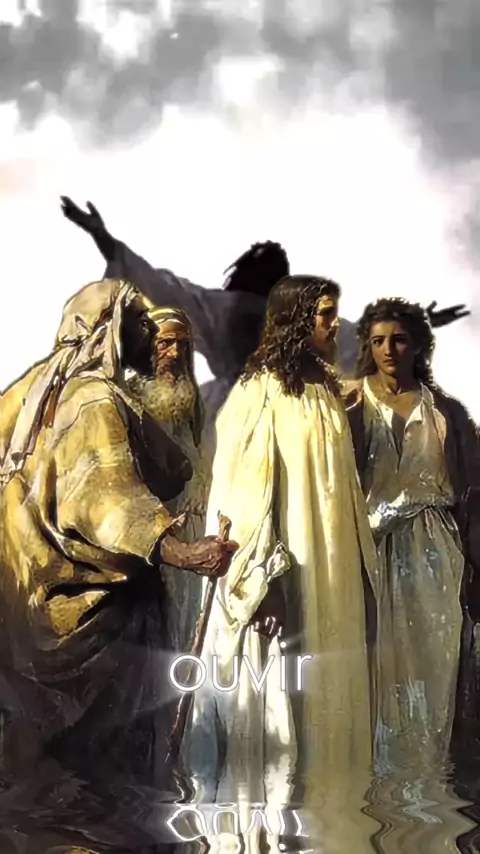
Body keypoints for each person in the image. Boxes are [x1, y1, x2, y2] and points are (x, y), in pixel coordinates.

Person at [0, 278, 237, 784]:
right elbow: (107, 499)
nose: (148, 331)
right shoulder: (92, 400)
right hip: (94, 625)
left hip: (29, 611)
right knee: (108, 780)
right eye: (138, 320)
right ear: (108, 327)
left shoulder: (32, 394)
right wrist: (185, 553)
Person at [184, 274, 379, 827]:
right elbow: (243, 494)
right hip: (289, 575)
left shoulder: (325, 391)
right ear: (296, 320)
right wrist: (261, 582)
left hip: (334, 575)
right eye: (324, 314)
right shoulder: (260, 393)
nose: (334, 324)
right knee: (287, 715)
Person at [59, 197, 469, 433]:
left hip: (264, 412)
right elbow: (366, 338)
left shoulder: (240, 310)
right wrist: (420, 321)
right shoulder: (238, 310)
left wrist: (102, 236)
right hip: (260, 414)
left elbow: (365, 339)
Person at [346, 297, 480, 776]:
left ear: (418, 345)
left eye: (399, 340)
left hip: (436, 552)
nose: (388, 350)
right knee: (375, 668)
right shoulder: (351, 403)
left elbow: (473, 493)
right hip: (371, 551)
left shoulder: (447, 411)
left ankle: (429, 787)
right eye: (378, 340)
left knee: (433, 667)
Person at [127, 305, 213, 651]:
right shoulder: (128, 400)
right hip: (150, 542)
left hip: (193, 535)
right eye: (165, 343)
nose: (174, 354)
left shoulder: (193, 404)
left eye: (182, 345)